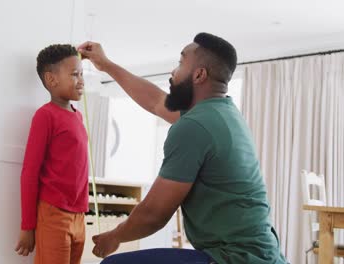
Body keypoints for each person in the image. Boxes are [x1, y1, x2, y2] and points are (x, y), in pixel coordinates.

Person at [77, 33, 288, 264]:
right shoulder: (222, 113)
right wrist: (106, 65)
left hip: (236, 259)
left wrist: (114, 237)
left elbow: (153, 215)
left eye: (180, 63)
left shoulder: (194, 126)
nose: (173, 72)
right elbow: (157, 102)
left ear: (199, 74)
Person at [15, 44, 89, 264]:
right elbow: (29, 172)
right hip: (54, 214)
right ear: (51, 79)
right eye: (75, 74)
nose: (82, 80)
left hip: (79, 216)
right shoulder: (45, 116)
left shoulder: (78, 117)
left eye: (82, 74)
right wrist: (28, 226)